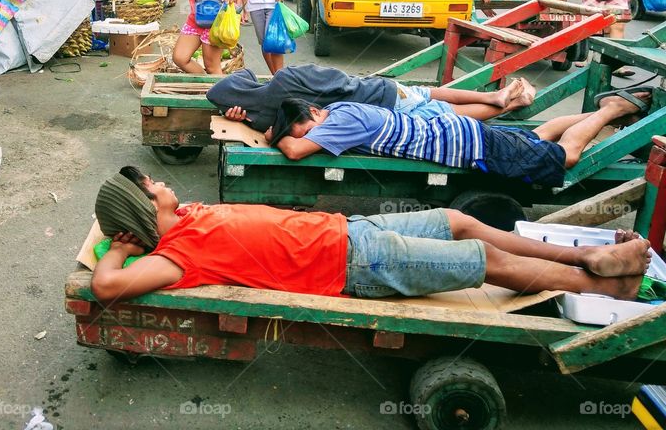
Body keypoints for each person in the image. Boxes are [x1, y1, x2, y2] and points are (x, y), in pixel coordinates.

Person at [89, 166, 650, 304]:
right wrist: (120, 245)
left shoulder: (186, 215)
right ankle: (601, 286)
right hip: (358, 266)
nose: (160, 181)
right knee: (481, 257)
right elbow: (107, 288)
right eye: (150, 184)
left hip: (352, 231)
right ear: (141, 210)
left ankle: (590, 254)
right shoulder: (177, 256)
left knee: (460, 221)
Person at [270, 89, 649, 188]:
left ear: (315, 114)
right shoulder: (338, 111)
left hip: (470, 145)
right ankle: (627, 114)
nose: (312, 137)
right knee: (540, 135)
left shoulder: (340, 120)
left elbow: (294, 151)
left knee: (563, 156)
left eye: (308, 129)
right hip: (463, 136)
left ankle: (611, 110)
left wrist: (279, 137)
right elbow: (296, 138)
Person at [208, 66, 534, 135]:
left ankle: (505, 103)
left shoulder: (266, 120)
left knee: (445, 114)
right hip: (379, 92)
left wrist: (244, 117)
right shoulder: (284, 78)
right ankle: (494, 97)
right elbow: (337, 79)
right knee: (429, 94)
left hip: (378, 109)